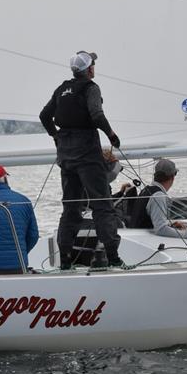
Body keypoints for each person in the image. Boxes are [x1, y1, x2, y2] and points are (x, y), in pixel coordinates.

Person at [39, 50, 126, 269]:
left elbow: (44, 116)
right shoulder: (91, 88)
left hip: (66, 156)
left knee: (71, 207)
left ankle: (65, 259)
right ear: (89, 70)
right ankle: (113, 257)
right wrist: (112, 136)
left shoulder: (61, 89)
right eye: (93, 65)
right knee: (102, 205)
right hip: (87, 154)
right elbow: (96, 115)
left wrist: (56, 136)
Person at [125, 158, 187, 239]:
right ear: (172, 177)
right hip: (144, 240)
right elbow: (161, 229)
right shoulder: (158, 196)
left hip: (136, 236)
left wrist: (170, 225)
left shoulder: (146, 190)